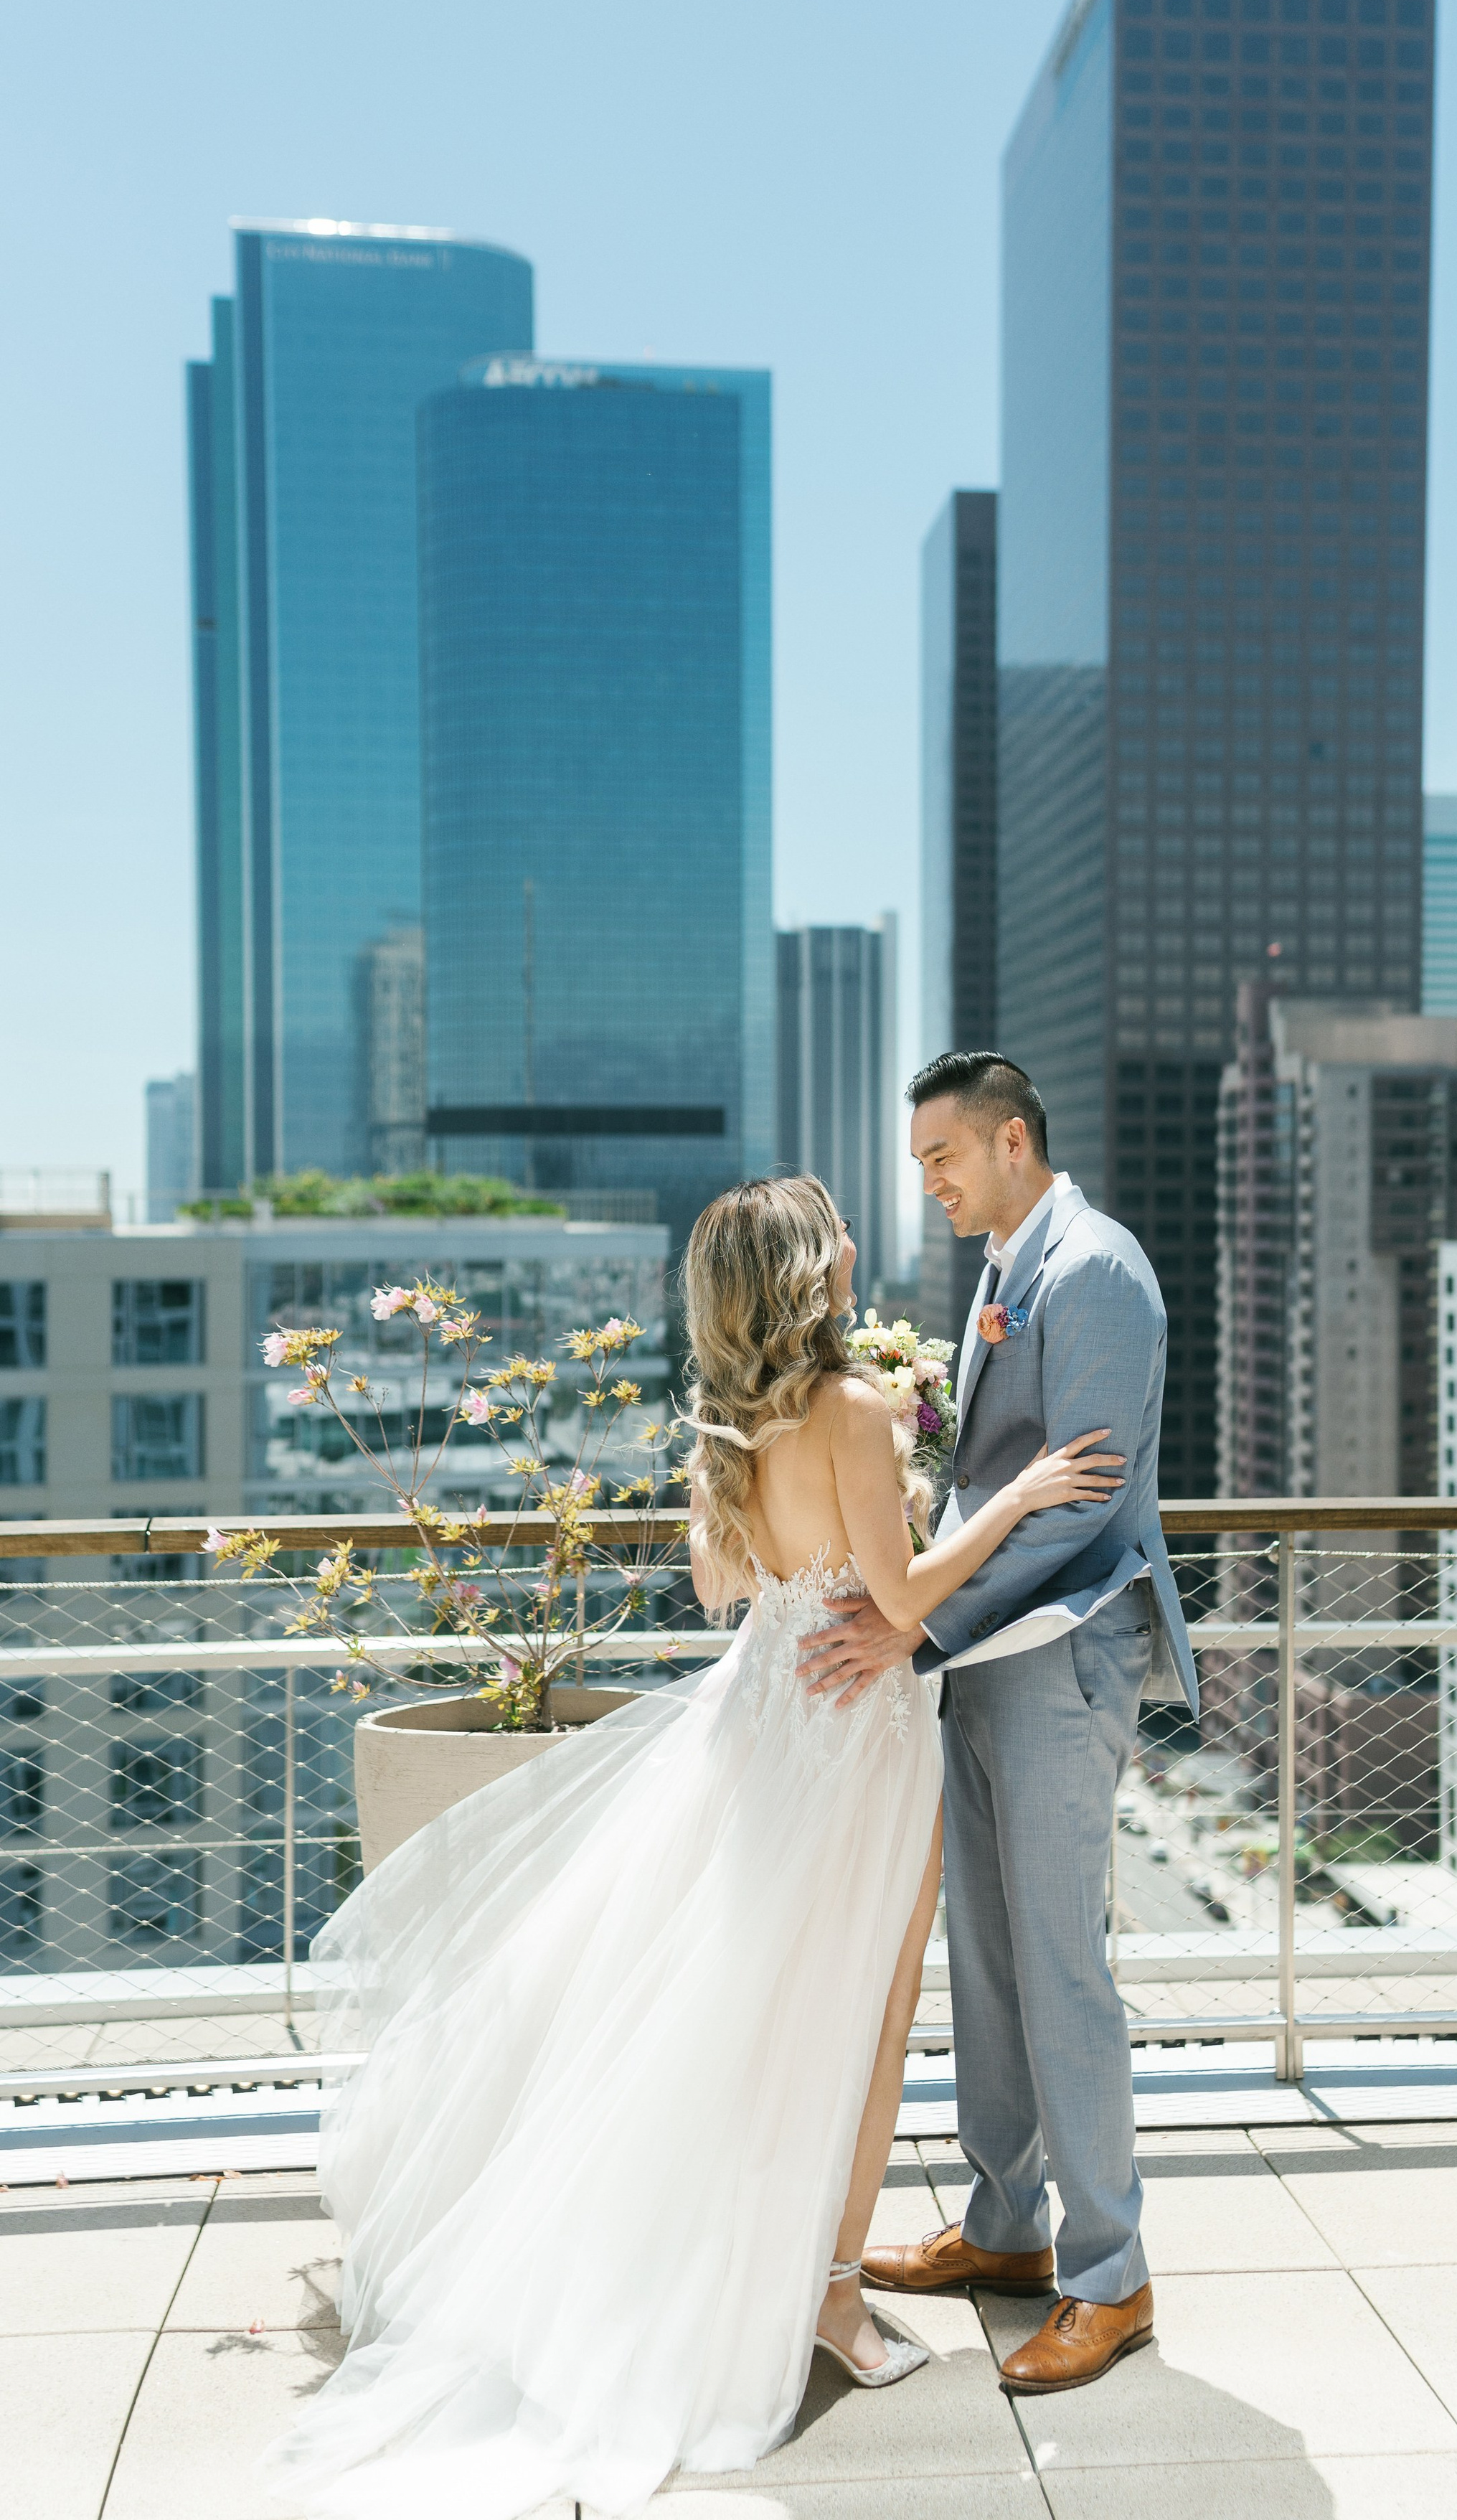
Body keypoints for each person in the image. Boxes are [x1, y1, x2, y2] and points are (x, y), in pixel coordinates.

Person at [260, 1173, 1121, 2519]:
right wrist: (1013, 1497)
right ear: (805, 1271)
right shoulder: (850, 1408)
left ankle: (749, 2273)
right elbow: (897, 1603)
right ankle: (831, 2305)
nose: (852, 1241)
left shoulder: (731, 1430)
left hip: (760, 1720)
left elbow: (737, 1589)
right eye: (833, 1230)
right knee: (862, 2026)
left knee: (740, 2015)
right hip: (854, 1746)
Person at [798, 1053, 1199, 2399]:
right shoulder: (1004, 1263)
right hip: (982, 1662)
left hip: (1060, 1657)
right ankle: (1008, 2229)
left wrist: (922, 1625)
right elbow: (997, 1471)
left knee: (1058, 1963)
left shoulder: (1095, 1271)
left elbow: (1083, 1505)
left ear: (1012, 1139)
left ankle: (1110, 2276)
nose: (929, 1183)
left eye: (942, 1160)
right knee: (987, 1957)